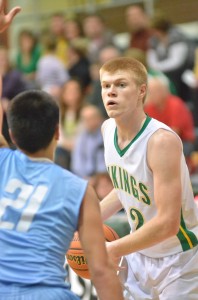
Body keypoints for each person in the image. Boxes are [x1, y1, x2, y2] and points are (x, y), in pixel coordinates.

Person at [0, 3, 124, 300]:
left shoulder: (3, 163)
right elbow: (103, 272)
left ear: (12, 135)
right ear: (58, 132)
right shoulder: (79, 190)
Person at [99, 56, 198, 299]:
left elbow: (168, 223)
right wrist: (85, 220)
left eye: (121, 85)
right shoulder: (107, 129)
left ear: (142, 91)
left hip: (179, 259)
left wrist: (112, 249)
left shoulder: (160, 141)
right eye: (106, 85)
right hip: (140, 254)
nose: (111, 92)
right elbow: (126, 189)